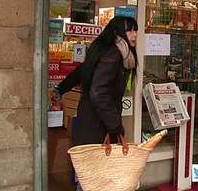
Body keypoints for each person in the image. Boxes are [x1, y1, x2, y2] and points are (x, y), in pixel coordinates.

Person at [56, 16, 138, 147]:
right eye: (129, 31)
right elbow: (98, 91)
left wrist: (61, 88)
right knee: (97, 164)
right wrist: (115, 125)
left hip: (92, 121)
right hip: (98, 124)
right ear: (118, 33)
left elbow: (82, 71)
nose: (134, 35)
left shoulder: (105, 50)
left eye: (135, 31)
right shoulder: (114, 54)